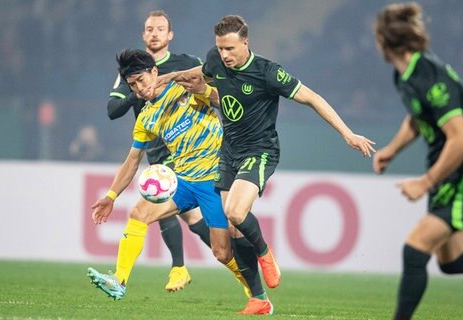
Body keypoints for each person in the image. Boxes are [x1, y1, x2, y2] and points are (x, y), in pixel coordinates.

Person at [159, 15, 376, 294]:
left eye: (231, 49)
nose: (224, 55)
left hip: (259, 151)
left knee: (236, 212)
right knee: (234, 230)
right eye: (221, 48)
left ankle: (264, 251)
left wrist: (347, 133)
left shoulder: (267, 72)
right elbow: (204, 77)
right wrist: (167, 77)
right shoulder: (215, 59)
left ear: (246, 43)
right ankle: (258, 298)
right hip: (229, 151)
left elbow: (312, 98)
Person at [87, 49, 272, 315]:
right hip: (183, 181)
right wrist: (111, 196)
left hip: (216, 179)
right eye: (132, 85)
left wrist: (208, 92)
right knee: (139, 213)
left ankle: (256, 294)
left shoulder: (183, 86)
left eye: (141, 79)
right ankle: (119, 280)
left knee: (221, 252)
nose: (140, 88)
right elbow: (132, 161)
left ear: (154, 71)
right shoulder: (145, 118)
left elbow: (222, 97)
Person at [372, 3, 463, 319]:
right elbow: (417, 118)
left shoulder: (428, 74)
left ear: (384, 40)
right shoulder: (404, 74)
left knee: (414, 249)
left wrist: (425, 182)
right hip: (450, 171)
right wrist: (392, 150)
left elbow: (462, 140)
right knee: (452, 262)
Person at [105, 10, 207, 292]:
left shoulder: (186, 63)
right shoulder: (131, 73)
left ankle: (175, 268)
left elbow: (210, 80)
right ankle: (235, 258)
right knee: (193, 220)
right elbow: (113, 110)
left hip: (186, 149)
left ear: (169, 35)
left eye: (160, 29)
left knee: (152, 204)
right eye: (149, 29)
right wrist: (135, 90)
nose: (154, 33)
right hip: (154, 147)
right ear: (143, 34)